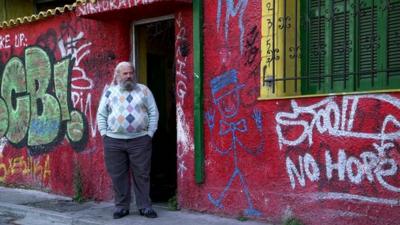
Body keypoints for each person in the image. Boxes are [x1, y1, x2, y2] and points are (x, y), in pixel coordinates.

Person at [97, 61, 159, 219]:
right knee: (118, 175)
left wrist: (149, 133)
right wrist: (104, 133)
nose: (129, 76)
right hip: (113, 141)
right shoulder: (109, 92)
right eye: (125, 73)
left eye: (131, 72)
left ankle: (144, 206)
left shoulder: (144, 90)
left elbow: (153, 111)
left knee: (142, 174)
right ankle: (121, 207)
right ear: (117, 75)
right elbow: (101, 114)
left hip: (140, 140)